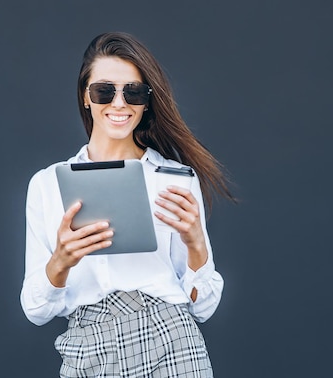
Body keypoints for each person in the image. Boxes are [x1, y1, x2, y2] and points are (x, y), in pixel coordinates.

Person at [20, 32, 233, 377]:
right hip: (88, 346)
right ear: (85, 97)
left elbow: (204, 307)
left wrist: (196, 244)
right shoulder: (47, 184)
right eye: (104, 91)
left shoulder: (176, 179)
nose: (119, 103)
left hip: (171, 340)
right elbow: (35, 309)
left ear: (146, 102)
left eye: (133, 92)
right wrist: (61, 261)